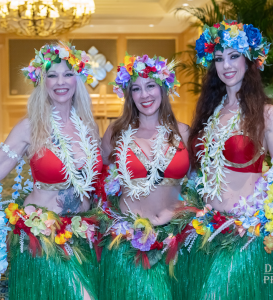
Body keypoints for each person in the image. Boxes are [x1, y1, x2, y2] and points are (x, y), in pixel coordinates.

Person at [172, 20, 273, 300]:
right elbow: (194, 174)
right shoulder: (208, 114)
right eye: (219, 58)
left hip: (245, 237)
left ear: (249, 60)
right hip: (203, 236)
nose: (226, 65)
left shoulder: (267, 114)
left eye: (234, 55)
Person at [0, 41, 103, 300]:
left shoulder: (88, 127)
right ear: (41, 81)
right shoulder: (29, 127)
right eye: (52, 75)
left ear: (78, 79)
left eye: (68, 74)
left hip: (81, 235)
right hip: (41, 235)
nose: (61, 81)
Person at [99, 53, 189, 300]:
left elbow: (200, 185)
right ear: (129, 95)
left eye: (151, 85)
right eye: (136, 88)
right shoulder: (116, 132)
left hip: (176, 240)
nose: (145, 95)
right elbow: (94, 171)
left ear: (163, 88)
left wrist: (183, 212)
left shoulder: (184, 132)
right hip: (126, 242)